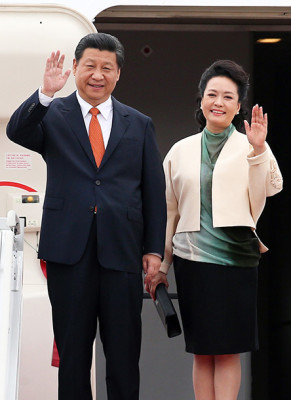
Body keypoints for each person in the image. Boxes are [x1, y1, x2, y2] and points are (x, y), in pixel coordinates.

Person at [6, 33, 166, 400]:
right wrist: (45, 93)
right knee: (73, 357)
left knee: (124, 357)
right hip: (68, 253)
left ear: (118, 74)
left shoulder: (138, 123)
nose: (98, 75)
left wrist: (154, 250)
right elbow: (17, 131)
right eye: (90, 66)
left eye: (106, 68)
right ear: (75, 67)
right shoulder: (54, 114)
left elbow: (153, 193)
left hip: (122, 254)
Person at [150, 60, 283, 400]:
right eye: (212, 95)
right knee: (202, 347)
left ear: (239, 106)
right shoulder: (180, 151)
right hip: (191, 259)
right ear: (201, 100)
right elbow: (169, 212)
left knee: (228, 348)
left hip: (236, 259)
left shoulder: (251, 145)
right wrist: (162, 265)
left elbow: (269, 187)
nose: (218, 102)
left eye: (228, 96)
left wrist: (259, 149)